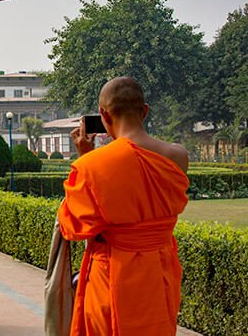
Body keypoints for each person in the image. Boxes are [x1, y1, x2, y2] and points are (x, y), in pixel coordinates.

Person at [58, 77, 190, 335]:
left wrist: (86, 158)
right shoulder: (178, 155)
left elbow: (73, 227)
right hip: (160, 272)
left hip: (112, 275)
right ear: (145, 111)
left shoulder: (92, 165)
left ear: (104, 115)